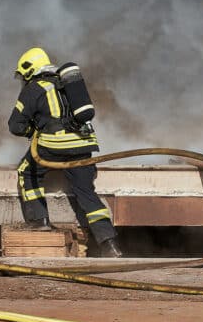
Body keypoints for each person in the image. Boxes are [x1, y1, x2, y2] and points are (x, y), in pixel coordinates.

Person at [8, 47, 122, 258]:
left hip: (54, 145)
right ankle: (110, 244)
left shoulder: (33, 88)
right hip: (84, 146)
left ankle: (39, 220)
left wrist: (31, 131)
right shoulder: (66, 84)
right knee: (86, 192)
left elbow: (15, 125)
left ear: (28, 70)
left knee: (28, 171)